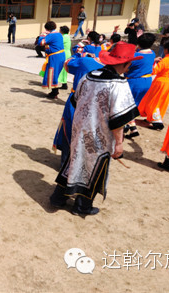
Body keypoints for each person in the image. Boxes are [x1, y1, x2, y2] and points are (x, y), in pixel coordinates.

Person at [50, 42, 141, 217]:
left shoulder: (89, 76)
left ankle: (58, 197)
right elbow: (119, 119)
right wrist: (119, 144)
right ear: (124, 64)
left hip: (80, 128)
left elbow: (75, 100)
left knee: (75, 159)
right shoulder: (118, 84)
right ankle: (82, 206)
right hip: (100, 134)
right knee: (95, 166)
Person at [52, 52, 104, 166]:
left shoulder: (85, 61)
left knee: (70, 129)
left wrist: (80, 54)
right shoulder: (112, 69)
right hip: (98, 104)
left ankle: (67, 163)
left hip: (78, 100)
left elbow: (67, 64)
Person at [138, 37, 169, 130]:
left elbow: (153, 71)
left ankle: (155, 120)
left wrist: (153, 62)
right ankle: (154, 119)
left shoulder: (165, 60)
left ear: (166, 49)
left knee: (154, 101)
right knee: (162, 102)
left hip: (160, 83)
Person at [123, 33, 157, 138]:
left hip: (134, 81)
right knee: (135, 104)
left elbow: (126, 67)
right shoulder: (152, 53)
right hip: (147, 81)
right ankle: (131, 127)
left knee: (126, 104)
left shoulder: (136, 56)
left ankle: (129, 126)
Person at [38, 21, 66, 99]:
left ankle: (54, 92)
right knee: (55, 73)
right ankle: (54, 91)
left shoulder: (51, 35)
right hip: (61, 55)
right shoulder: (59, 34)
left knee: (52, 73)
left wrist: (42, 35)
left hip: (55, 56)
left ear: (47, 28)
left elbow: (41, 43)